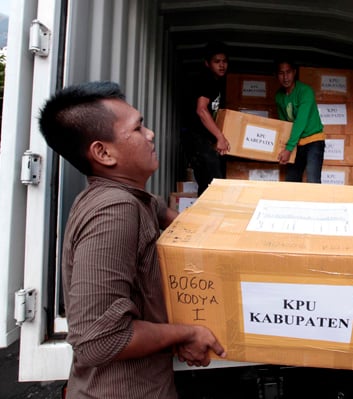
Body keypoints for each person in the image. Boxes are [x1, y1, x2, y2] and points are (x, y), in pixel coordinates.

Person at [38, 81, 226, 399]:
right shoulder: (114, 211)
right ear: (103, 152)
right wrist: (188, 332)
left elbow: (155, 206)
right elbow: (100, 340)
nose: (150, 134)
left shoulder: (128, 198)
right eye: (138, 128)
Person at [184, 40, 230, 196]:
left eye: (224, 61)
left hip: (204, 141)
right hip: (198, 140)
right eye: (217, 62)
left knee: (207, 184)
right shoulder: (206, 79)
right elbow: (201, 110)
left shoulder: (218, 82)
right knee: (214, 183)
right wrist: (220, 137)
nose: (221, 65)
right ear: (207, 63)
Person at [275, 59, 325, 183]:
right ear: (277, 75)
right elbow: (284, 124)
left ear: (294, 72)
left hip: (313, 140)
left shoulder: (305, 91)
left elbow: (301, 121)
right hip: (297, 144)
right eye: (281, 73)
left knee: (313, 180)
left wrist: (288, 148)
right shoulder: (279, 96)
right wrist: (283, 147)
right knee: (291, 181)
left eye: (288, 72)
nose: (285, 77)